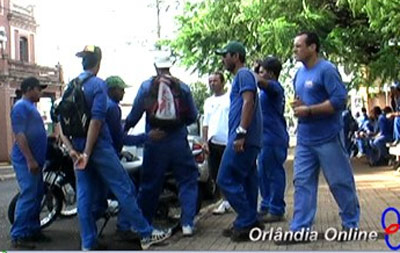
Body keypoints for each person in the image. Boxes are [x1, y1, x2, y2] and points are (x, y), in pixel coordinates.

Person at [59, 45, 171, 250]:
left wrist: (73, 151)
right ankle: (145, 234)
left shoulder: (71, 86)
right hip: (97, 147)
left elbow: (60, 123)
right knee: (124, 187)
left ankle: (88, 243)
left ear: (83, 61)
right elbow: (96, 121)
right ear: (98, 62)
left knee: (84, 196)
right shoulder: (97, 85)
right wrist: (88, 152)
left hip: (76, 145)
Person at [287, 32, 360, 242]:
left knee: (339, 182)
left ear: (313, 47)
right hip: (305, 140)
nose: (295, 50)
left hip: (328, 137)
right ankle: (300, 229)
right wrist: (299, 107)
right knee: (302, 183)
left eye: (298, 46)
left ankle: (351, 223)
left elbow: (339, 100)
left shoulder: (326, 70)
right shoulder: (298, 75)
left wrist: (309, 110)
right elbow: (301, 100)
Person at [124, 51, 199, 236]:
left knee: (150, 184)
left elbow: (134, 114)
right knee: (188, 180)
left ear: (156, 67)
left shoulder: (146, 86)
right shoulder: (182, 87)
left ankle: (143, 225)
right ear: (169, 66)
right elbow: (193, 116)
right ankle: (188, 224)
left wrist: (124, 130)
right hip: (178, 142)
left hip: (155, 141)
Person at [215, 41, 263, 242]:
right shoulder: (243, 76)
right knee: (248, 180)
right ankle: (250, 224)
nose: (223, 59)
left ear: (235, 56)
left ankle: (247, 218)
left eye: (225, 55)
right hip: (249, 139)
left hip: (243, 138)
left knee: (224, 179)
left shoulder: (243, 74)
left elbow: (248, 101)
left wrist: (241, 133)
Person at [10, 77, 50, 249]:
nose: (40, 92)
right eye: (38, 89)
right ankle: (19, 235)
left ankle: (33, 230)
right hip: (26, 161)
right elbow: (20, 135)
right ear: (28, 89)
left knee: (36, 194)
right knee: (28, 195)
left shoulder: (30, 108)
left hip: (35, 160)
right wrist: (30, 159)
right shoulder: (20, 107)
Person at [254, 56, 289, 223]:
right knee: (263, 173)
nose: (259, 75)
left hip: (274, 138)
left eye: (262, 72)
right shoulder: (266, 90)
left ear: (271, 74)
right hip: (265, 138)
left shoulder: (275, 87)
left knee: (274, 173)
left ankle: (276, 208)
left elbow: (261, 83)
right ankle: (266, 206)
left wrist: (246, 72)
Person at [202, 71, 231, 215]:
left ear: (222, 82)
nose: (212, 83)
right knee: (216, 175)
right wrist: (204, 141)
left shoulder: (230, 98)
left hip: (227, 142)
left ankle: (234, 201)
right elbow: (205, 123)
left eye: (215, 81)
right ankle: (224, 201)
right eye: (210, 81)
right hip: (213, 142)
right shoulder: (208, 102)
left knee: (230, 173)